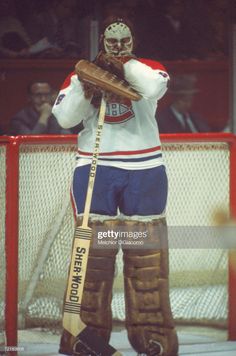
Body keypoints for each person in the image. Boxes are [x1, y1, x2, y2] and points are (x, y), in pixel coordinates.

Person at [53, 16, 178, 356]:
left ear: (133, 40)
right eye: (113, 42)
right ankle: (85, 338)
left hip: (145, 168)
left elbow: (151, 90)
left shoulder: (150, 68)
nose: (119, 46)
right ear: (102, 42)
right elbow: (65, 118)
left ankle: (153, 336)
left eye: (125, 40)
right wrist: (85, 79)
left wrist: (124, 65)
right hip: (97, 168)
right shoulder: (78, 74)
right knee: (94, 256)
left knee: (145, 254)